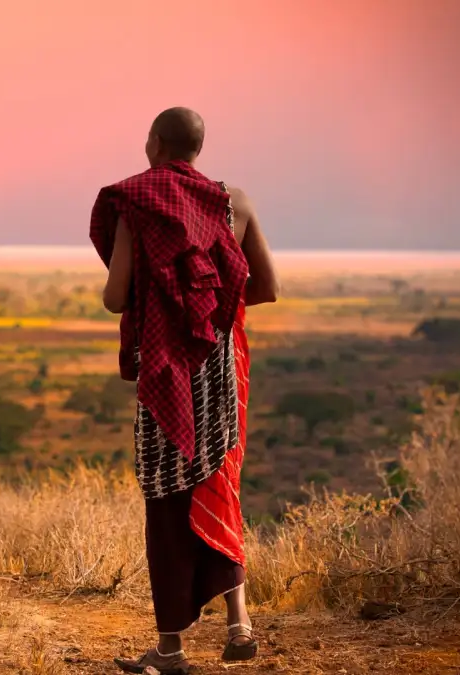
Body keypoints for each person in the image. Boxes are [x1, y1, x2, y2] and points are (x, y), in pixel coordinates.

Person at [90, 107, 280, 675]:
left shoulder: (135, 203)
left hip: (165, 374)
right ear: (198, 148)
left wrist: (169, 311)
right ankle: (238, 624)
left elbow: (115, 297)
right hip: (217, 368)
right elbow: (266, 286)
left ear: (154, 144)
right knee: (217, 484)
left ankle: (170, 649)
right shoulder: (235, 202)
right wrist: (206, 307)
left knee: (168, 500)